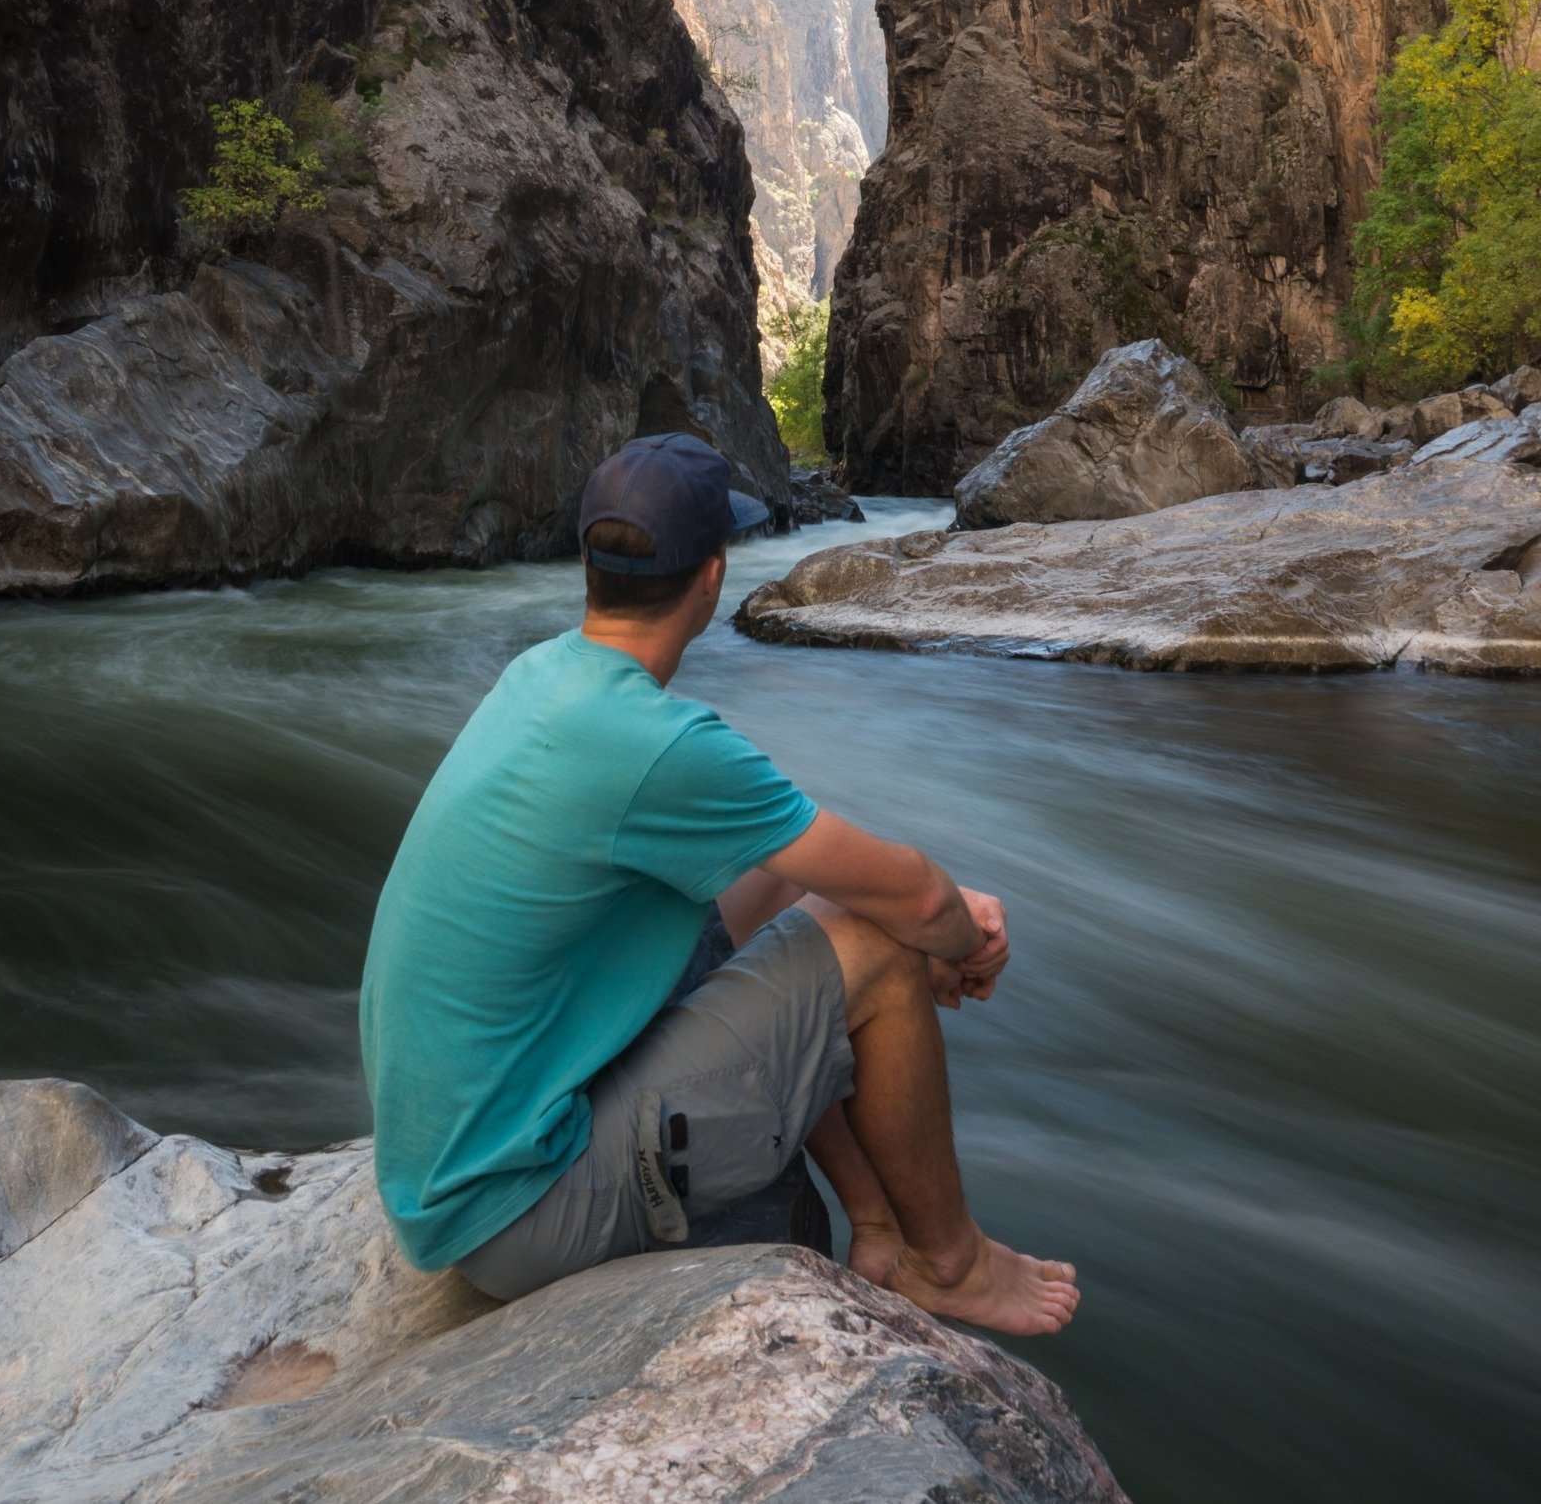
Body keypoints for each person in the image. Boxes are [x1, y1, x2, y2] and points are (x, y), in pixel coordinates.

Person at [359, 430, 1080, 1334]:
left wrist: (925, 922)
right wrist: (966, 941)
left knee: (798, 895)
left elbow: (806, 877)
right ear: (712, 577)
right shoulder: (655, 744)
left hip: (453, 1168)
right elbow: (921, 900)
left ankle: (879, 1227)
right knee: (885, 949)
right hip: (520, 1209)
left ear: (589, 564)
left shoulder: (541, 679)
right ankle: (953, 1263)